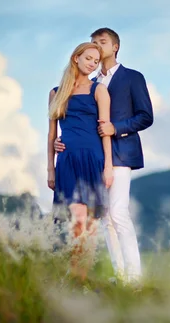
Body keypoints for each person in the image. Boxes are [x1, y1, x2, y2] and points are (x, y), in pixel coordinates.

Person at [54, 27, 154, 285]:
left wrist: (116, 128)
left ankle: (134, 280)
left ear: (115, 47)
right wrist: (61, 140)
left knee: (118, 213)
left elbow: (146, 116)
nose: (97, 46)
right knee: (105, 218)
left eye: (102, 42)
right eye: (93, 43)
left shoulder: (132, 77)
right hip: (93, 158)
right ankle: (120, 277)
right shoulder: (92, 81)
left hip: (120, 154)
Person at [47, 41, 114, 281]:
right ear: (76, 58)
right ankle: (74, 276)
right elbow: (51, 134)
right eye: (88, 58)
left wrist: (108, 166)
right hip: (66, 161)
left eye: (96, 61)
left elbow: (105, 130)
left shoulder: (99, 90)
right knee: (76, 220)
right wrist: (50, 169)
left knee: (91, 225)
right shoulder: (56, 93)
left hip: (92, 159)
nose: (92, 64)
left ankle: (81, 279)